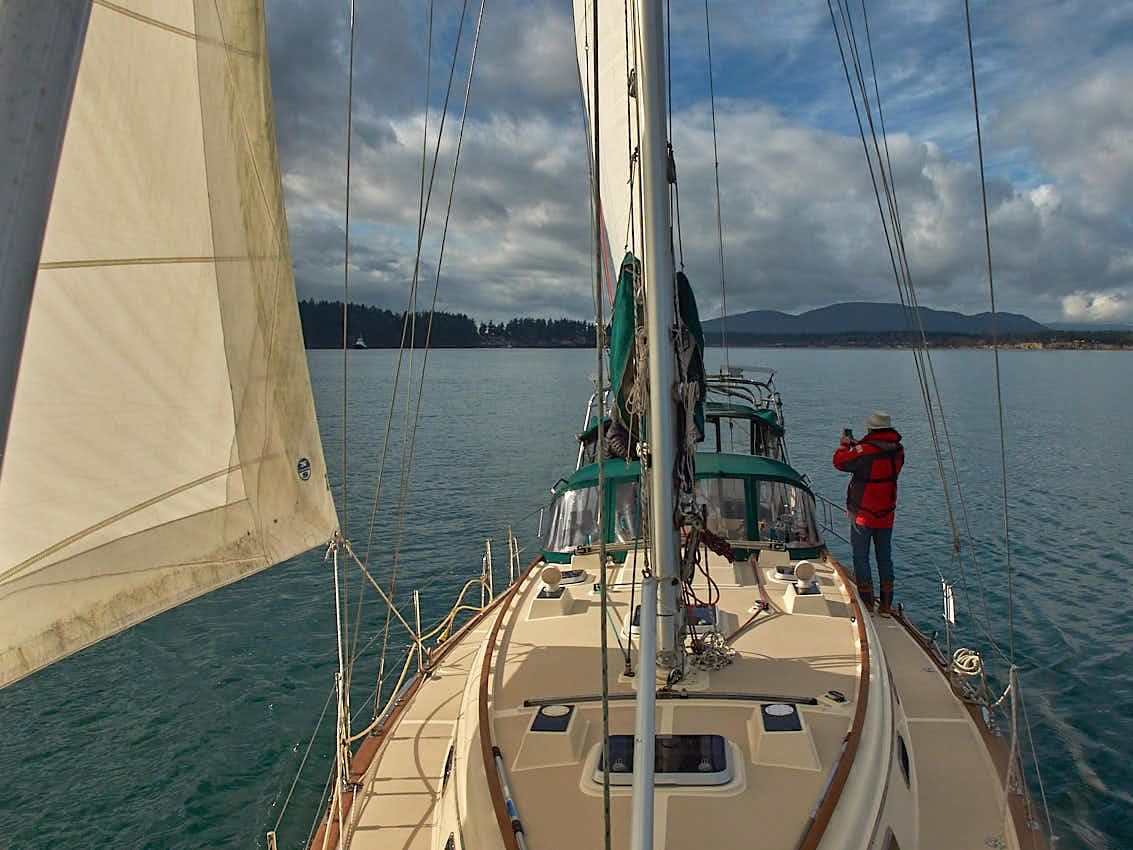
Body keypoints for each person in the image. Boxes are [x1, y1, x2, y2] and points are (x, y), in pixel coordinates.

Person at [833, 411, 904, 614]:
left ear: (872, 429)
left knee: (861, 557)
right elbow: (875, 457)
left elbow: (839, 461)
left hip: (863, 515)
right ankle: (885, 604)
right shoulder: (898, 450)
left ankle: (866, 603)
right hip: (887, 514)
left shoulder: (865, 451)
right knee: (884, 557)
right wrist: (859, 445)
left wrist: (845, 445)